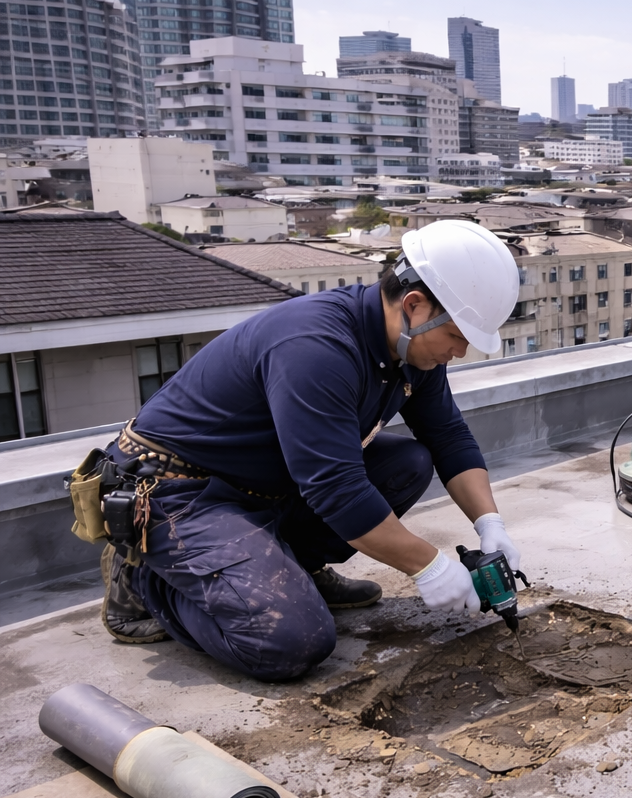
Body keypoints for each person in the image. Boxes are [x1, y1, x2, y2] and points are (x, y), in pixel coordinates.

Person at [94, 219, 522, 681]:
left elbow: (448, 437)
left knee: (408, 464)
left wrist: (490, 524)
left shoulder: (409, 351)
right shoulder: (317, 346)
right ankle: (147, 581)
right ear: (415, 305)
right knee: (288, 642)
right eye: (457, 336)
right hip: (178, 491)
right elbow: (336, 489)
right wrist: (429, 565)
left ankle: (292, 568)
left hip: (262, 486)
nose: (458, 352)